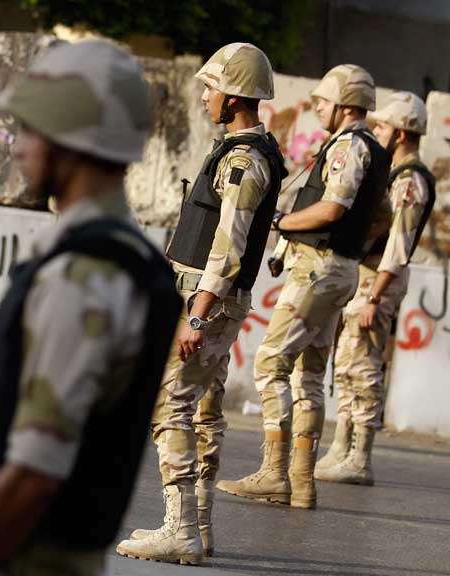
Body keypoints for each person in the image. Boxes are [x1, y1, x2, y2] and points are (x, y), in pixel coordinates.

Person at [0, 40, 181, 576]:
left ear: (71, 141)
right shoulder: (117, 256)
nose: (17, 146)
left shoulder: (83, 275)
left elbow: (34, 474)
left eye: (29, 128)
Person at [115, 42, 286, 565]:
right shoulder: (243, 151)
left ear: (234, 97)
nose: (205, 96)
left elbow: (228, 248)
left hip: (206, 302)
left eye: (210, 88)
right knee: (203, 408)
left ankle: (180, 528)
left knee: (172, 406)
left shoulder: (243, 161)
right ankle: (199, 525)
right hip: (205, 299)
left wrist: (196, 313)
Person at [218, 64, 391, 510]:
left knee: (271, 364)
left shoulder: (350, 146)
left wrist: (283, 223)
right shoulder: (373, 149)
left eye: (324, 102)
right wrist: (350, 245)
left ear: (346, 104)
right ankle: (301, 482)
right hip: (340, 270)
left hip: (318, 269)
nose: (317, 109)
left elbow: (333, 208)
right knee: (309, 375)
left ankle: (275, 474)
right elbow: (382, 216)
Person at [316, 91, 435, 485]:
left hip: (379, 282)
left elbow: (398, 246)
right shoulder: (392, 172)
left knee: (365, 366)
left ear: (401, 134)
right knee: (349, 363)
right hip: (368, 276)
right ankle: (341, 447)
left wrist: (374, 295)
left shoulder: (410, 179)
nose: (376, 131)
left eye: (382, 126)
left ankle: (360, 457)